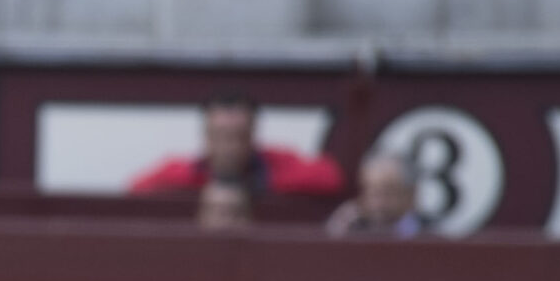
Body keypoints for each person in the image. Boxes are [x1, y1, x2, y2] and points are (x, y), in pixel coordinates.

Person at [130, 92, 342, 199]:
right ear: (206, 137)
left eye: (237, 136)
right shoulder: (183, 173)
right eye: (220, 136)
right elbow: (136, 189)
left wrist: (264, 184)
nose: (229, 147)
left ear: (252, 136)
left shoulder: (273, 166)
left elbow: (330, 177)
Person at [326, 152, 425, 238]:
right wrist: (337, 230)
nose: (378, 204)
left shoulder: (428, 235)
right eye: (372, 194)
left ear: (410, 195)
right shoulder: (353, 229)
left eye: (387, 194)